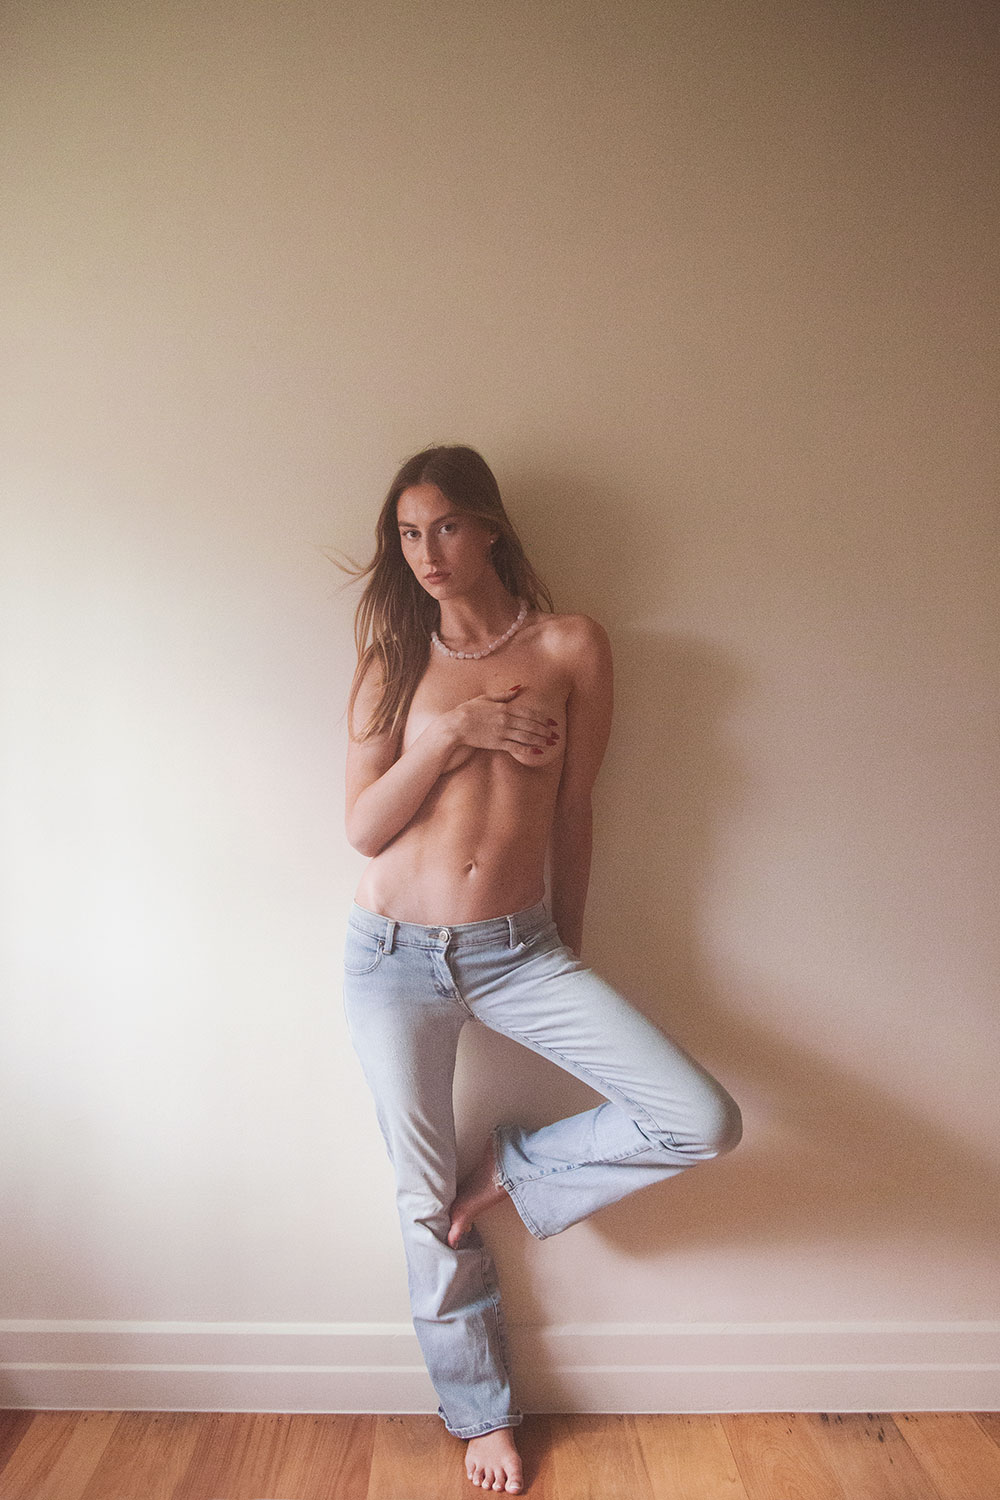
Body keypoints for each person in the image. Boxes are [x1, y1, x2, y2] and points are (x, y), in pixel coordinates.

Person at [341, 444, 742, 1494]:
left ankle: (512, 1172)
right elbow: (364, 827)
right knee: (420, 1199)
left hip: (517, 952)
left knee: (700, 1117)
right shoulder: (393, 660)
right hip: (391, 958)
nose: (427, 552)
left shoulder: (571, 645)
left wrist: (564, 940)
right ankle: (482, 1415)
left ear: (490, 527)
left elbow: (574, 810)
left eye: (446, 526)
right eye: (408, 533)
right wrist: (453, 734)